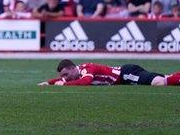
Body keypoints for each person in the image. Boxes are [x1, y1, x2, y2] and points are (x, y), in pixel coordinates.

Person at [38, 59, 180, 86]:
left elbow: (86, 82)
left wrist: (63, 85)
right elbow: (65, 80)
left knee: (159, 83)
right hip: (123, 78)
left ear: (72, 68)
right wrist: (48, 82)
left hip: (126, 73)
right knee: (164, 78)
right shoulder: (74, 75)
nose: (64, 79)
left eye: (65, 75)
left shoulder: (87, 68)